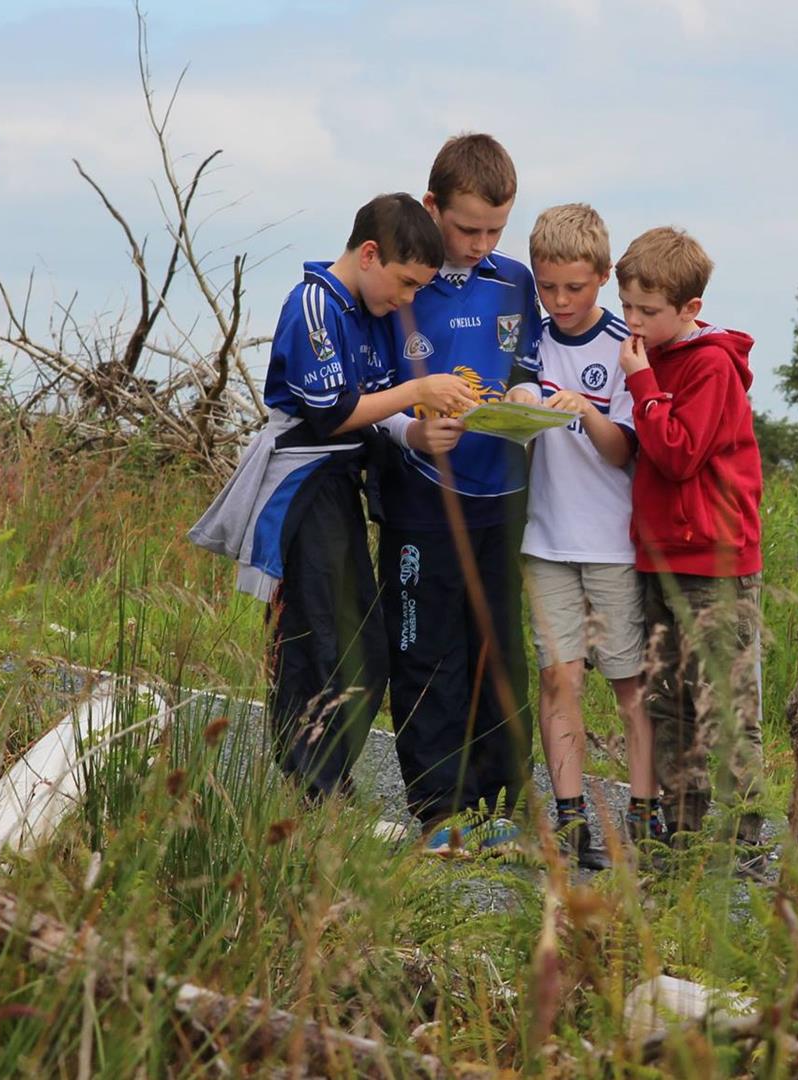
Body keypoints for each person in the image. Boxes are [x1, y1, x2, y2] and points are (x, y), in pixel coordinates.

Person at [188, 194, 476, 799]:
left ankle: (326, 778)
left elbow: (375, 410)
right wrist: (417, 390)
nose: (407, 300)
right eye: (403, 283)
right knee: (319, 638)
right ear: (369, 255)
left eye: (419, 289)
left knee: (365, 648)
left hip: (343, 485)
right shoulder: (315, 303)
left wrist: (416, 428)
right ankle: (309, 786)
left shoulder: (372, 310)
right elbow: (333, 413)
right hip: (303, 486)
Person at [374, 134, 543, 851]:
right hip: (419, 497)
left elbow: (530, 363)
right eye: (467, 228)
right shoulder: (399, 283)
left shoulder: (516, 281)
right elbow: (368, 398)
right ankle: (438, 811)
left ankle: (500, 809)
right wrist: (410, 432)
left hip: (501, 494)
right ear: (433, 205)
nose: (480, 243)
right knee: (426, 652)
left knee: (499, 650)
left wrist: (531, 401)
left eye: (495, 230)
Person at [614, 226, 767, 857]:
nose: (634, 322)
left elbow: (678, 454)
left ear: (689, 310)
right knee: (670, 701)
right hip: (661, 559)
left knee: (724, 705)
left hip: (716, 561)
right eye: (627, 307)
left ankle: (743, 843)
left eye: (648, 312)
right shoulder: (655, 359)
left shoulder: (708, 366)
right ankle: (683, 832)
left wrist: (642, 385)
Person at [521, 204, 656, 869]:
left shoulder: (625, 348)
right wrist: (515, 409)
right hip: (545, 540)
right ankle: (572, 818)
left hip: (612, 544)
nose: (561, 301)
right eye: (548, 287)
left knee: (631, 684)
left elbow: (623, 451)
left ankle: (644, 813)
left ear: (602, 277)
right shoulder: (532, 341)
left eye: (574, 287)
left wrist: (584, 411)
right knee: (560, 679)